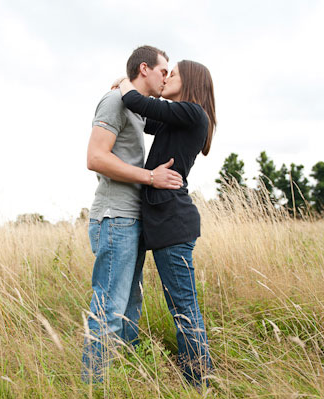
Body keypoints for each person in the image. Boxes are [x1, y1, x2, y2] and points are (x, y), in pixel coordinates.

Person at [82, 45, 183, 383]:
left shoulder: (135, 109)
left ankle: (124, 380)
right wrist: (150, 177)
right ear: (144, 69)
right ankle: (93, 385)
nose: (167, 77)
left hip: (133, 219)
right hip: (114, 219)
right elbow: (95, 157)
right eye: (163, 70)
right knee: (109, 311)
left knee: (129, 309)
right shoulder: (113, 102)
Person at [115, 59, 216, 385]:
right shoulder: (177, 119)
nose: (166, 78)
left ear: (190, 81)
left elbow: (137, 102)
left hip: (172, 221)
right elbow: (145, 117)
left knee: (183, 306)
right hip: (161, 219)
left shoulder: (193, 113)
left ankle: (199, 382)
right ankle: (131, 357)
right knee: (157, 299)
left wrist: (124, 83)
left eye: (172, 74)